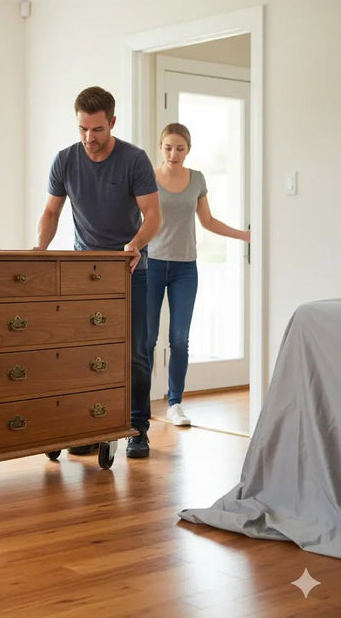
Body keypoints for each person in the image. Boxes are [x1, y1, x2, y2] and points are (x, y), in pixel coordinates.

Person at [34, 86, 161, 458]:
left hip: (129, 266)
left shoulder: (134, 160)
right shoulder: (64, 160)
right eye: (83, 130)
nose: (90, 138)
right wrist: (40, 249)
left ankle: (138, 427)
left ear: (113, 123)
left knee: (136, 349)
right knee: (83, 351)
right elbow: (51, 212)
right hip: (83, 269)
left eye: (98, 130)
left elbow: (153, 215)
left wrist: (135, 244)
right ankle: (88, 427)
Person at [147, 123, 251, 427]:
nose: (173, 153)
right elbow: (136, 218)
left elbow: (207, 221)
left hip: (184, 268)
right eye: (168, 147)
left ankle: (175, 402)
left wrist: (244, 236)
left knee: (179, 338)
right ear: (160, 146)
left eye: (180, 148)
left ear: (188, 149)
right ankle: (137, 405)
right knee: (147, 339)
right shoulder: (149, 178)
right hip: (151, 264)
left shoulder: (197, 180)